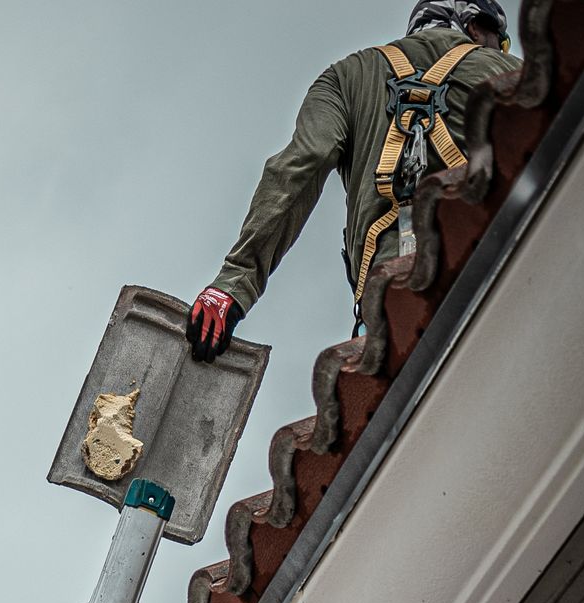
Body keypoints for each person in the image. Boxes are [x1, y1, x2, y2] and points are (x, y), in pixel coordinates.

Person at [182, 0, 513, 359]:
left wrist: (233, 284)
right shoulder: (512, 73)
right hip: (494, 277)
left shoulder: (345, 77)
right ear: (477, 27)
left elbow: (301, 165)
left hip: (389, 305)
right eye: (500, 39)